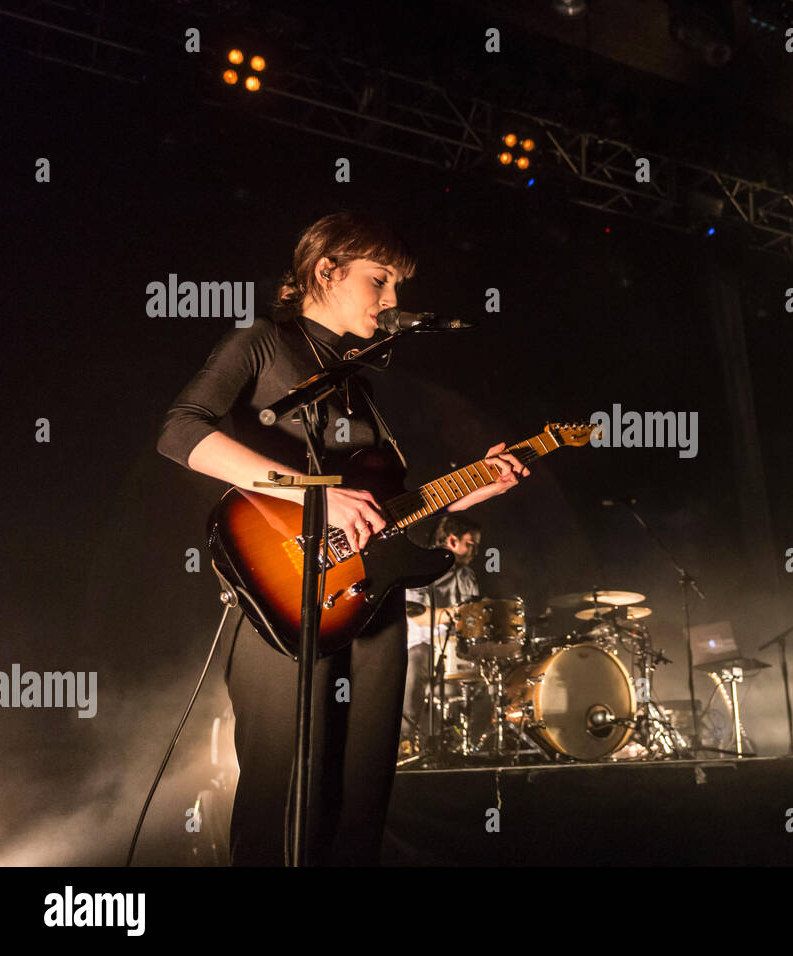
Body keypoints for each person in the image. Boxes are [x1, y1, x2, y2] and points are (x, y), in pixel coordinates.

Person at [157, 211, 529, 865]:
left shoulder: (359, 383)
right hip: (288, 600)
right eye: (381, 280)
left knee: (359, 809)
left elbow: (379, 512)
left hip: (373, 609)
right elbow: (181, 432)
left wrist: (467, 493)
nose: (393, 302)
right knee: (281, 805)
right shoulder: (261, 341)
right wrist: (309, 493)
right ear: (324, 270)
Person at [401, 513, 482, 756]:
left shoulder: (469, 576)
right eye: (471, 544)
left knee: (492, 682)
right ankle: (405, 742)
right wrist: (457, 613)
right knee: (416, 662)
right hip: (424, 644)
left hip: (459, 650)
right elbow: (419, 615)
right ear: (452, 541)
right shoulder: (423, 568)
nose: (475, 551)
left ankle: (464, 745)